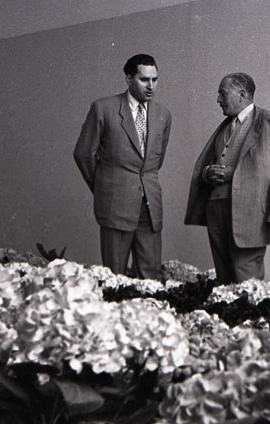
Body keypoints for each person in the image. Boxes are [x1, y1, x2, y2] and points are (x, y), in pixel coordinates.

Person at [185, 73, 270, 283]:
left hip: (251, 217)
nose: (218, 100)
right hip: (216, 211)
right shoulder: (224, 127)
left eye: (223, 94)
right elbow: (209, 163)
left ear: (241, 94)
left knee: (247, 282)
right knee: (224, 281)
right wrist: (208, 173)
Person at [74, 54, 172, 279]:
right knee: (114, 277)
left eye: (155, 80)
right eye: (144, 79)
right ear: (128, 79)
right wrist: (105, 186)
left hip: (150, 207)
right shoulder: (103, 109)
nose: (150, 86)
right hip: (115, 204)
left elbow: (154, 161)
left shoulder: (163, 115)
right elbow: (83, 154)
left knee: (150, 278)